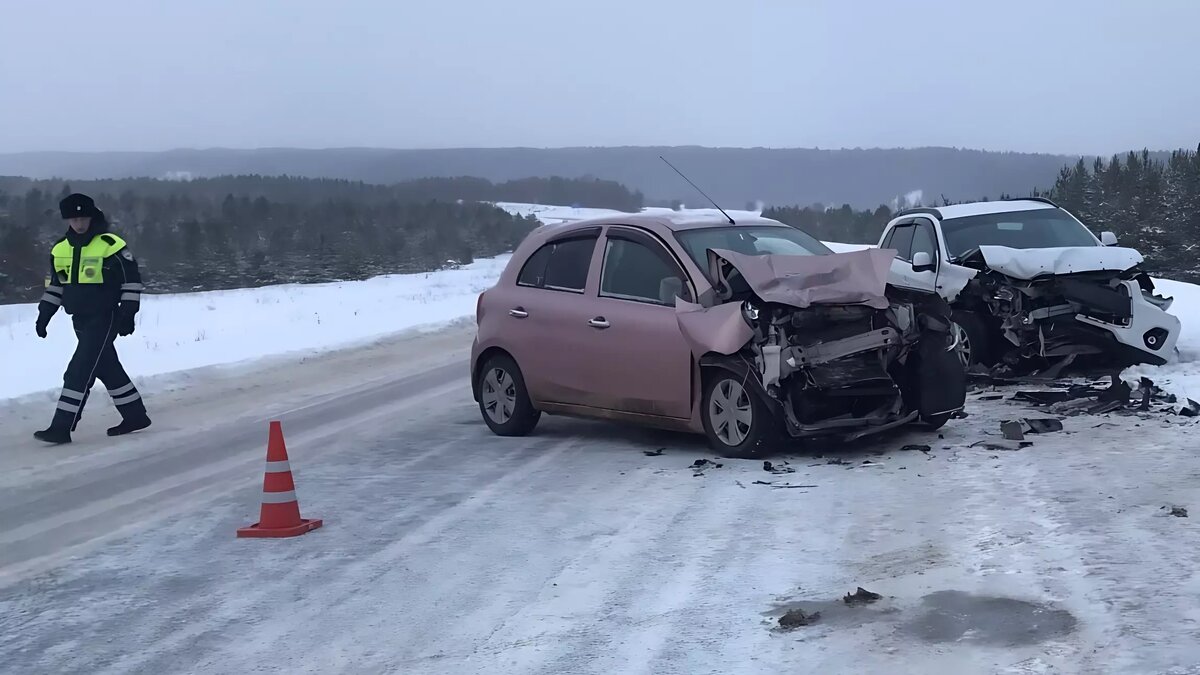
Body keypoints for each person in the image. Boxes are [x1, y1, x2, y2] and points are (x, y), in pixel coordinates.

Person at [34, 193, 151, 444]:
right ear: (67, 219)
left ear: (91, 216)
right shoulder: (59, 248)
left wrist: (128, 314)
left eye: (83, 217)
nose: (79, 223)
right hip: (79, 319)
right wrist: (44, 315)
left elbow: (131, 282)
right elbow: (57, 286)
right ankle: (135, 415)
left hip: (105, 317)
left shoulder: (111, 244)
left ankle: (61, 426)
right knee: (107, 368)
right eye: (74, 219)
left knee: (78, 370)